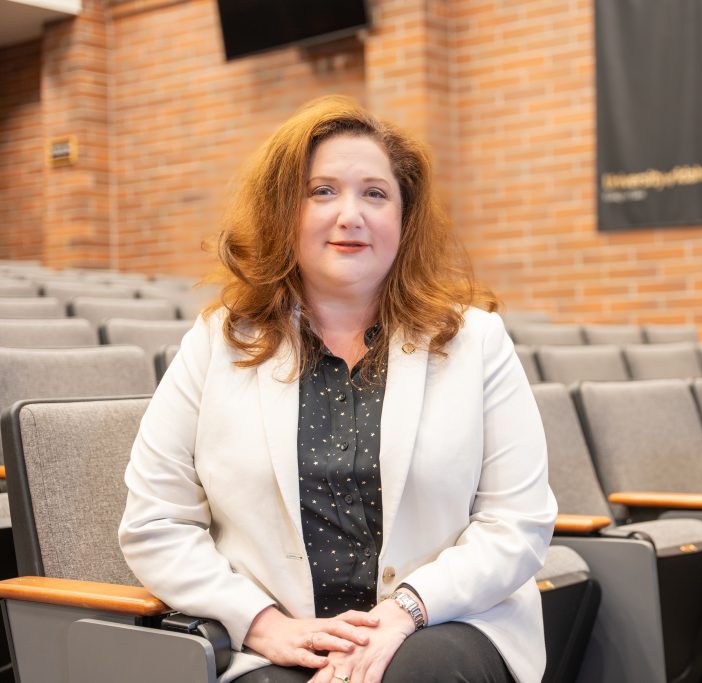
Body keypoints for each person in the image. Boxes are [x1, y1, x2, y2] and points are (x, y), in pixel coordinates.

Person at [119, 95, 557, 683]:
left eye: (375, 193)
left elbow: (517, 521)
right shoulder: (216, 345)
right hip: (274, 640)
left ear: (403, 219)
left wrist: (405, 610)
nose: (350, 213)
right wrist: (263, 623)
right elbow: (156, 523)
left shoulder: (476, 342)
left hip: (441, 624)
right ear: (283, 212)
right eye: (321, 191)